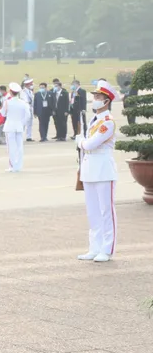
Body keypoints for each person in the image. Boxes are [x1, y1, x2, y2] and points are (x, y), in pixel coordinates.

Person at [77, 80, 118, 263]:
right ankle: (94, 247)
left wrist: (80, 142)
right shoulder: (95, 120)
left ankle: (107, 249)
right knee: (92, 212)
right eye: (94, 97)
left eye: (98, 97)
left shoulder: (107, 122)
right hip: (89, 168)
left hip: (103, 169)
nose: (94, 100)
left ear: (107, 101)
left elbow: (90, 144)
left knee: (106, 211)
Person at [2, 82, 30, 173]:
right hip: (19, 126)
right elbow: (28, 115)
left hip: (10, 126)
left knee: (11, 147)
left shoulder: (7, 102)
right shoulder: (23, 103)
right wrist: (22, 123)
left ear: (10, 91)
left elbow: (3, 113)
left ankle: (12, 166)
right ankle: (18, 166)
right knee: (19, 146)